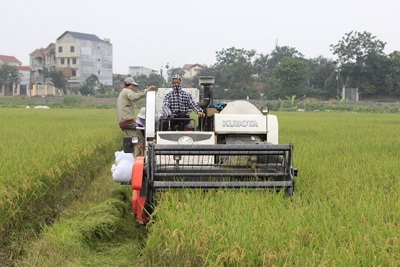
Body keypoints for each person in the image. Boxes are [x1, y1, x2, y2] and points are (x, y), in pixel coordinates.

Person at [116, 77, 155, 157]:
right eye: (133, 86)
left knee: (134, 140)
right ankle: (139, 160)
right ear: (130, 85)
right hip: (128, 121)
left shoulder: (122, 93)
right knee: (139, 139)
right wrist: (146, 90)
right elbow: (134, 97)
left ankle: (137, 158)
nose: (133, 88)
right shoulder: (127, 91)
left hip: (124, 122)